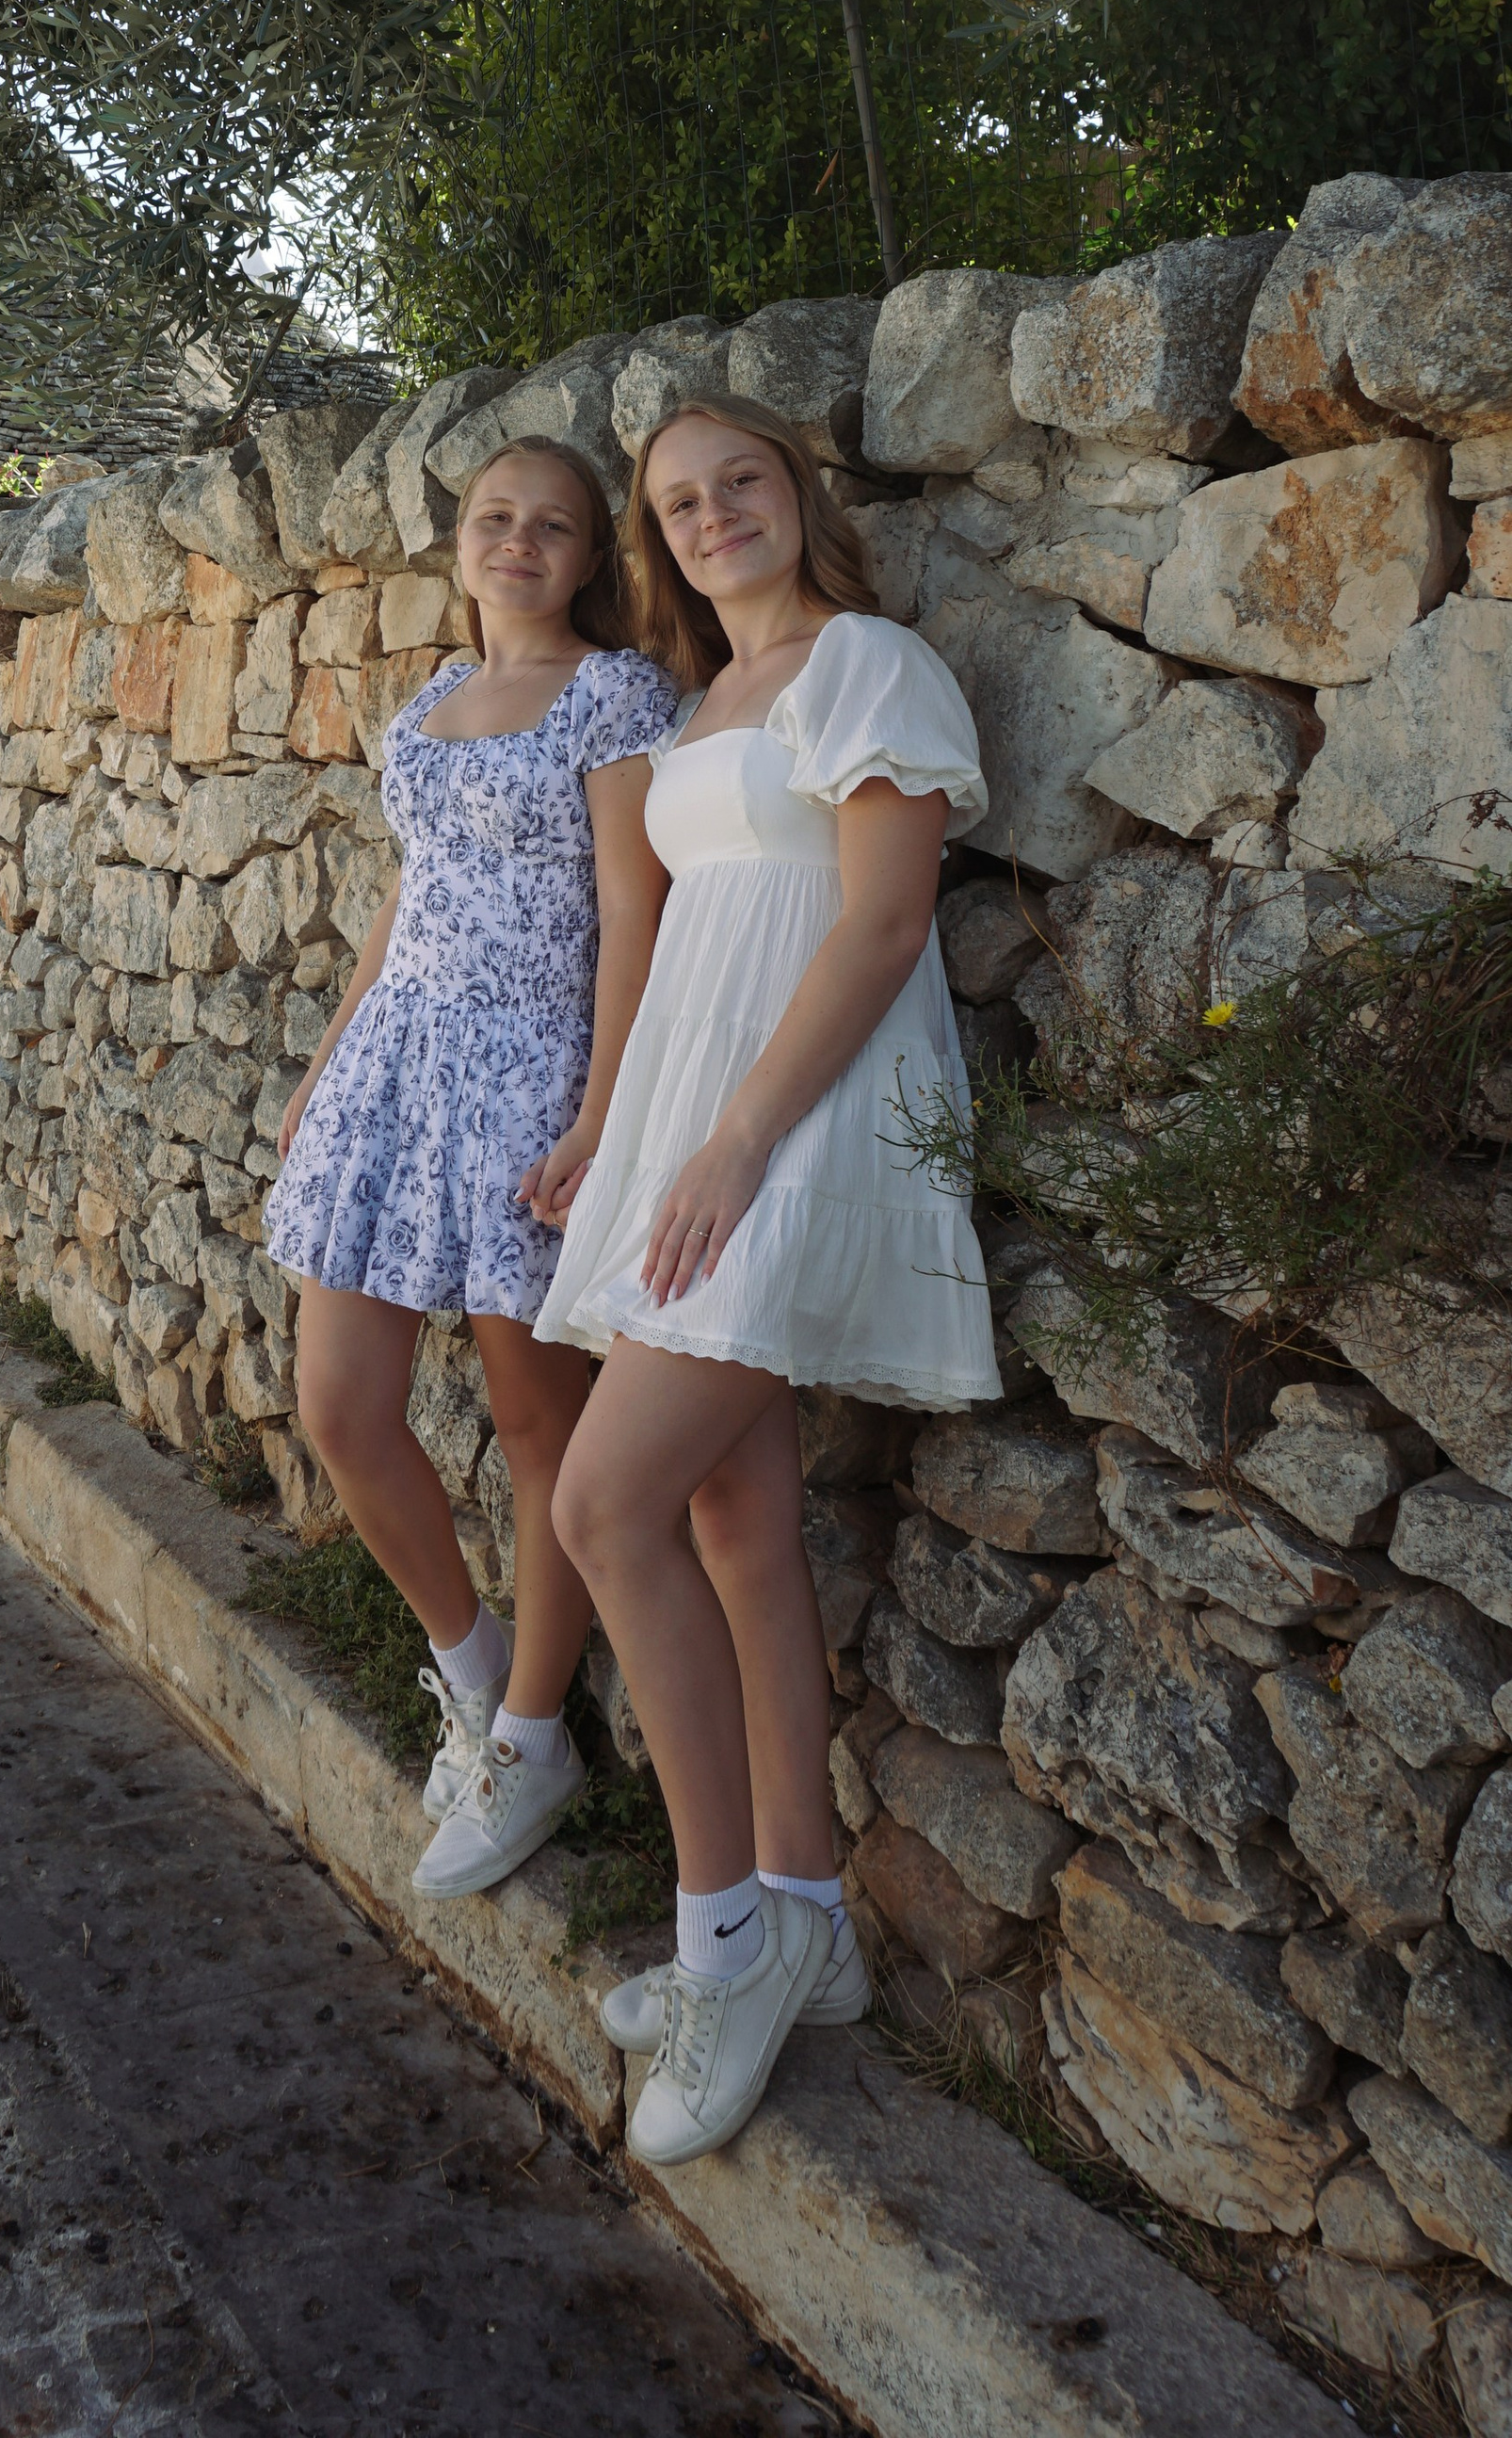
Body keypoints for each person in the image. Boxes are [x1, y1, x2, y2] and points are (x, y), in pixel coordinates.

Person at [539, 396, 996, 2163]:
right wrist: (630, 1132)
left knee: (603, 1506)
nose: (716, 513)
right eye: (680, 501)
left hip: (802, 1125)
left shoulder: (861, 661)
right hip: (695, 1124)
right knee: (734, 1526)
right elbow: (680, 934)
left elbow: (882, 925)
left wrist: (733, 1145)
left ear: (797, 495)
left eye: (742, 482)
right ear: (658, 538)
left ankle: (721, 1933)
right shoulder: (697, 704)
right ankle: (801, 1920)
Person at [266, 438, 679, 1898]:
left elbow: (635, 914)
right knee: (338, 1401)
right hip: (397, 1070)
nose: (518, 542)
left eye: (550, 527)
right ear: (460, 542)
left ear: (587, 558)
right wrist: (330, 1066)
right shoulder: (432, 701)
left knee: (535, 1421)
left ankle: (530, 1736)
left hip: (531, 1081)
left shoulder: (614, 697)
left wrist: (602, 1117)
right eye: (495, 519)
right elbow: (409, 898)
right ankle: (466, 1659)